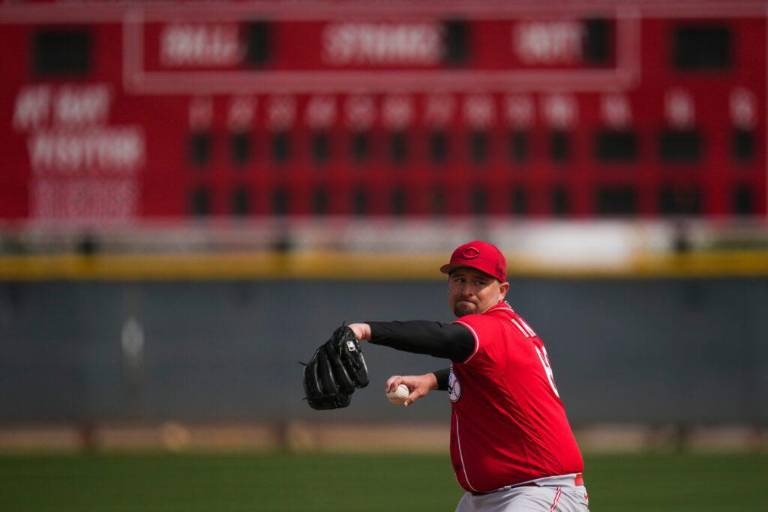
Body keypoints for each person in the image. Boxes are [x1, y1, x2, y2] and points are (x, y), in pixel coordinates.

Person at [347, 240, 589, 512]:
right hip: (493, 497)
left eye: (479, 282)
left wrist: (365, 330)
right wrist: (432, 379)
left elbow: (443, 337)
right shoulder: (505, 331)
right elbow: (492, 376)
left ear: (502, 290)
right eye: (459, 279)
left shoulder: (492, 326)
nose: (467, 290)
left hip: (538, 493)